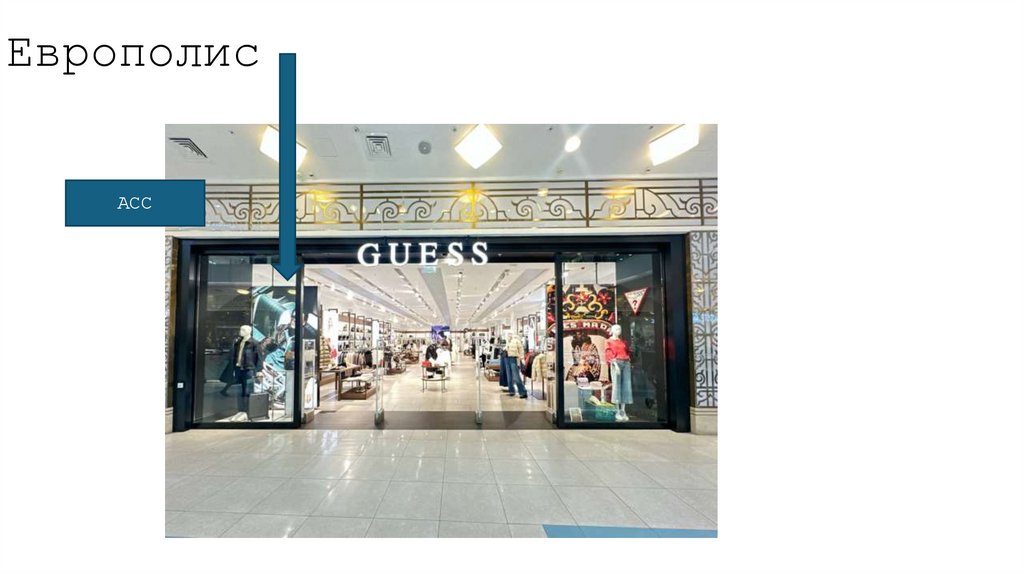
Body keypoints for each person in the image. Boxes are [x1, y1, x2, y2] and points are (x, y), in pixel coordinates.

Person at [506, 333, 527, 398]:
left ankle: (523, 392)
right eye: (508, 334)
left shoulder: (517, 341)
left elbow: (521, 350)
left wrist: (522, 358)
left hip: (514, 358)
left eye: (510, 334)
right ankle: (511, 391)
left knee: (516, 376)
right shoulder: (508, 341)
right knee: (509, 376)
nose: (509, 335)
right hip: (507, 358)